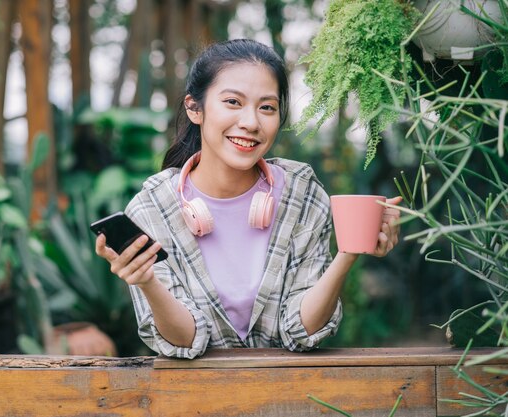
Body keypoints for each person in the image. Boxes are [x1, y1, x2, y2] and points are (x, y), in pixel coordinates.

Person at [95, 38, 402, 359]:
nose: (251, 123)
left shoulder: (303, 193)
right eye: (232, 102)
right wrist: (147, 283)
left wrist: (349, 252)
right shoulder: (151, 209)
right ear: (194, 108)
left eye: (267, 107)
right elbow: (185, 342)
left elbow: (302, 332)